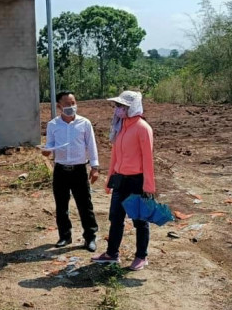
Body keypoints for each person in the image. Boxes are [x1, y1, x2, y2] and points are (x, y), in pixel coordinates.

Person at [92, 90, 155, 271]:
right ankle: (112, 253)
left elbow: (148, 159)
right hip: (120, 180)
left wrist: (148, 186)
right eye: (117, 105)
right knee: (116, 218)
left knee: (140, 220)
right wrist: (109, 179)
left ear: (132, 107)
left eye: (122, 106)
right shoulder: (120, 127)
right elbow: (115, 156)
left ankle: (141, 256)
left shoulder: (143, 128)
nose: (118, 109)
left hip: (137, 181)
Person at [41, 91, 100, 251]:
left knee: (85, 205)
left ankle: (90, 237)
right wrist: (46, 151)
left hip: (79, 169)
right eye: (67, 104)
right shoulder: (53, 125)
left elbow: (91, 146)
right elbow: (50, 145)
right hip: (61, 170)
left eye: (73, 103)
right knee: (61, 205)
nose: (71, 107)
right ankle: (65, 236)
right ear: (59, 106)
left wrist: (94, 168)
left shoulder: (84, 123)